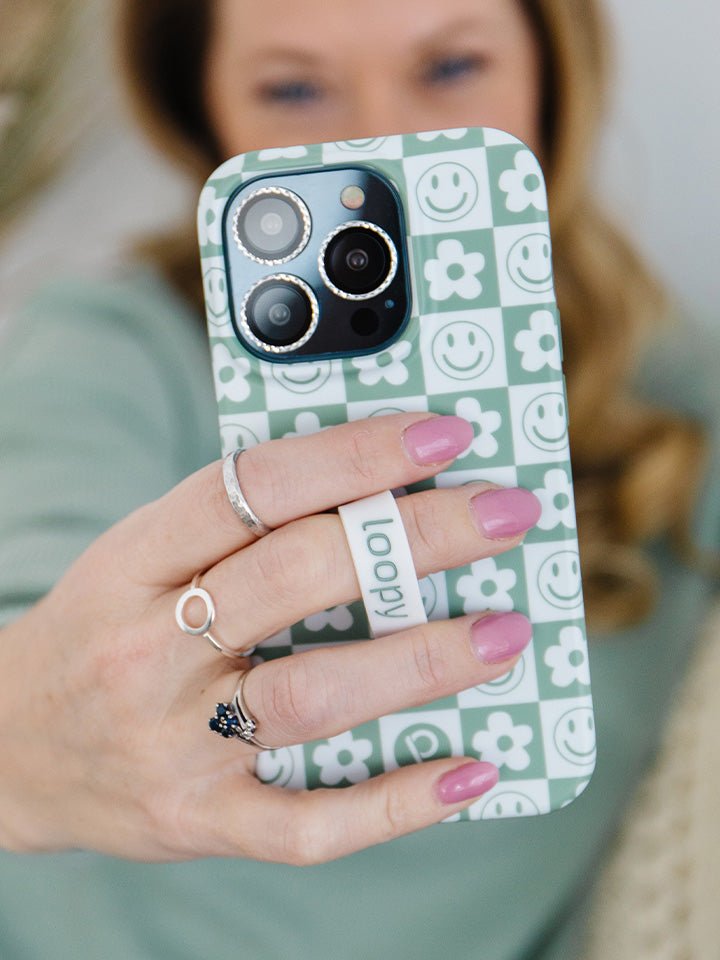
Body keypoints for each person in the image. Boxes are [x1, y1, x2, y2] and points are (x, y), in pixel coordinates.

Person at [0, 1, 717, 958]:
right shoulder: (115, 346)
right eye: (293, 87)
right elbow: (27, 598)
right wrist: (30, 749)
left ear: (554, 74)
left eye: (453, 66)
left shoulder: (680, 406)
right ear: (204, 112)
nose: (379, 136)